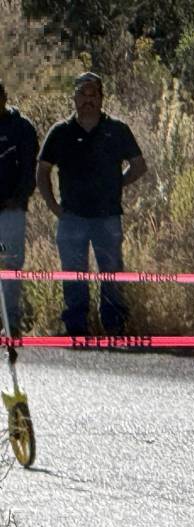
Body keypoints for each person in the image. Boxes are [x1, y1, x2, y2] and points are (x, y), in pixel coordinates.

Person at [36, 72, 146, 336]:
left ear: (101, 97)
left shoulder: (116, 129)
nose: (88, 100)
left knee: (111, 273)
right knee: (74, 275)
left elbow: (139, 166)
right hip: (71, 217)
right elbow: (42, 171)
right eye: (82, 94)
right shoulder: (60, 132)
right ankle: (76, 328)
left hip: (107, 217)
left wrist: (115, 184)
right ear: (74, 98)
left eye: (93, 94)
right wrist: (54, 207)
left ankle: (115, 326)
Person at [0, 79, 39, 336]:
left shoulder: (21, 127)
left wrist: (17, 199)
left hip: (11, 211)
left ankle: (10, 322)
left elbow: (30, 171)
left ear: (3, 97)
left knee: (11, 264)